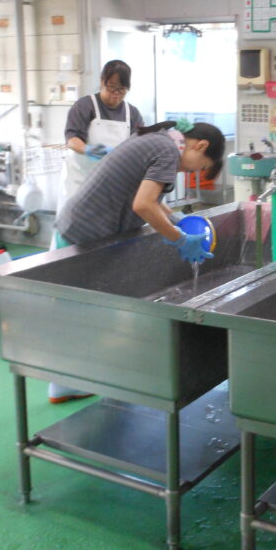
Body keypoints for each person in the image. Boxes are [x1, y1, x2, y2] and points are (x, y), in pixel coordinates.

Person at [47, 118, 225, 403]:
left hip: (82, 227)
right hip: (84, 232)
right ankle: (62, 383)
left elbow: (146, 196)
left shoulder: (161, 140)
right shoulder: (168, 151)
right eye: (201, 166)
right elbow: (143, 205)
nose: (194, 172)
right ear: (200, 146)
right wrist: (180, 239)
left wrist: (174, 220)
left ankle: (73, 378)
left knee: (83, 308)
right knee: (75, 310)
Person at [58, 59, 145, 213]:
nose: (116, 93)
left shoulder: (132, 113)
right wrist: (88, 149)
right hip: (81, 182)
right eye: (111, 87)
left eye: (122, 89)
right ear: (102, 81)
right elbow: (72, 140)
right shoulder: (84, 106)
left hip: (113, 183)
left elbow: (139, 145)